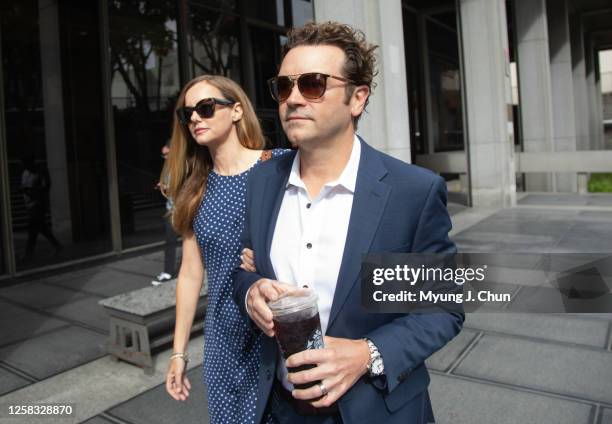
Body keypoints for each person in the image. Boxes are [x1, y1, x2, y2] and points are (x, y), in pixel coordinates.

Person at [233, 22, 464, 424]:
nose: (293, 99)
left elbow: (444, 308)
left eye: (313, 84)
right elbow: (245, 270)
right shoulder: (262, 181)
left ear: (357, 98)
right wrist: (251, 290)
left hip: (376, 409)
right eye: (284, 87)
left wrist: (366, 354)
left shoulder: (412, 191)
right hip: (280, 408)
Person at [162, 75, 287, 424]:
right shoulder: (195, 190)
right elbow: (189, 275)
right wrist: (178, 354)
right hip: (223, 346)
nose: (195, 119)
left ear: (235, 110)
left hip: (275, 336)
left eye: (205, 108)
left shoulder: (278, 165)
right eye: (187, 114)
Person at [21, 156, 62, 260]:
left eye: (27, 164)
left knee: (33, 228)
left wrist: (29, 190)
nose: (26, 166)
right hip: (30, 205)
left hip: (38, 205)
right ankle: (57, 245)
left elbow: (45, 188)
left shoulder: (41, 172)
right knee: (40, 227)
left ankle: (28, 253)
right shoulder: (25, 173)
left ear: (32, 162)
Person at [152, 144, 179, 286]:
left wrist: (167, 187)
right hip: (171, 210)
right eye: (163, 154)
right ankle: (168, 271)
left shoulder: (180, 167)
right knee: (170, 242)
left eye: (167, 154)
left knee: (191, 244)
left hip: (180, 212)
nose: (165, 157)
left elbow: (183, 187)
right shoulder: (167, 168)